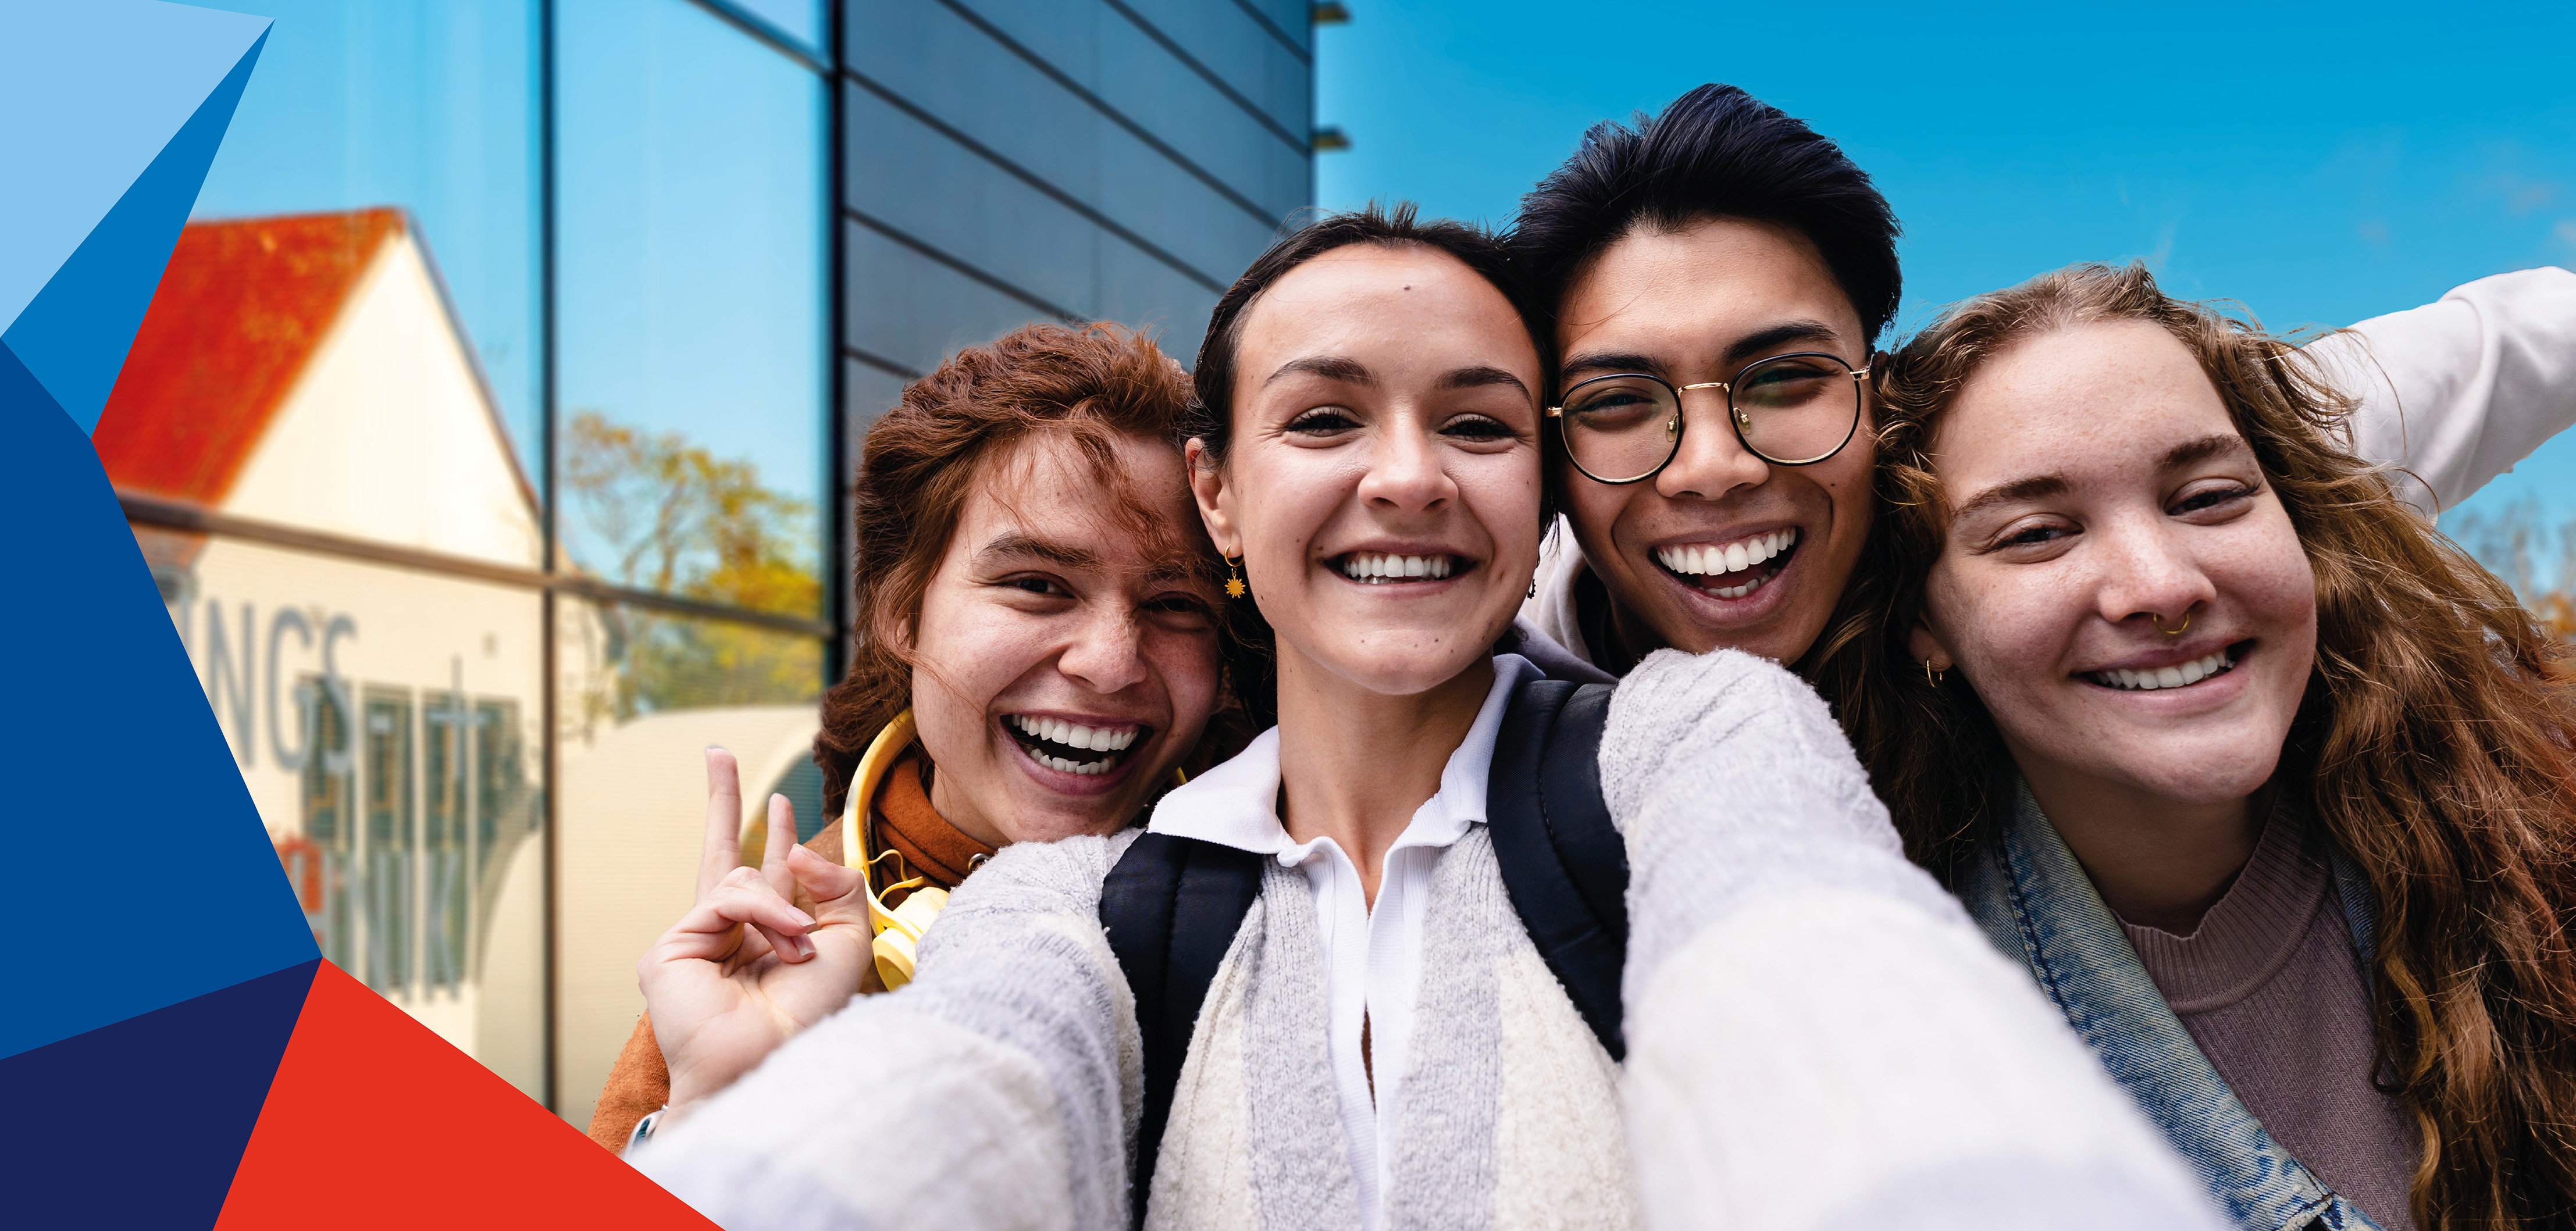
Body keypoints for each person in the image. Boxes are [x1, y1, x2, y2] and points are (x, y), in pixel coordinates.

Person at [624, 207, 2233, 1231]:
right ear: (1223, 494)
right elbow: (970, 1086)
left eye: (1472, 418)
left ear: (1536, 487)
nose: (1405, 474)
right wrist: (737, 1119)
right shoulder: (1090, 894)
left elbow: (1809, 959)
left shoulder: (1692, 742)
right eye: (1324, 415)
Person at [1827, 262, 2576, 1230]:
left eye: (2207, 497)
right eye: (2037, 534)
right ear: (1921, 622)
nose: (2159, 584)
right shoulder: (1895, 1077)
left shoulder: (2538, 842)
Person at [1509, 84, 2576, 679]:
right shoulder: (1486, 679)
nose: (1713, 467)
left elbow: (2510, 344)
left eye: (1783, 378)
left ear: (1878, 394)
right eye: (1617, 402)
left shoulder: (2054, 498)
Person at [586, 322, 1245, 1151]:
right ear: (902, 611)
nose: (1112, 663)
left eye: (1177, 604)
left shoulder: (1282, 916)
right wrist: (710, 1111)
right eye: (1037, 585)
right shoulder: (751, 965)